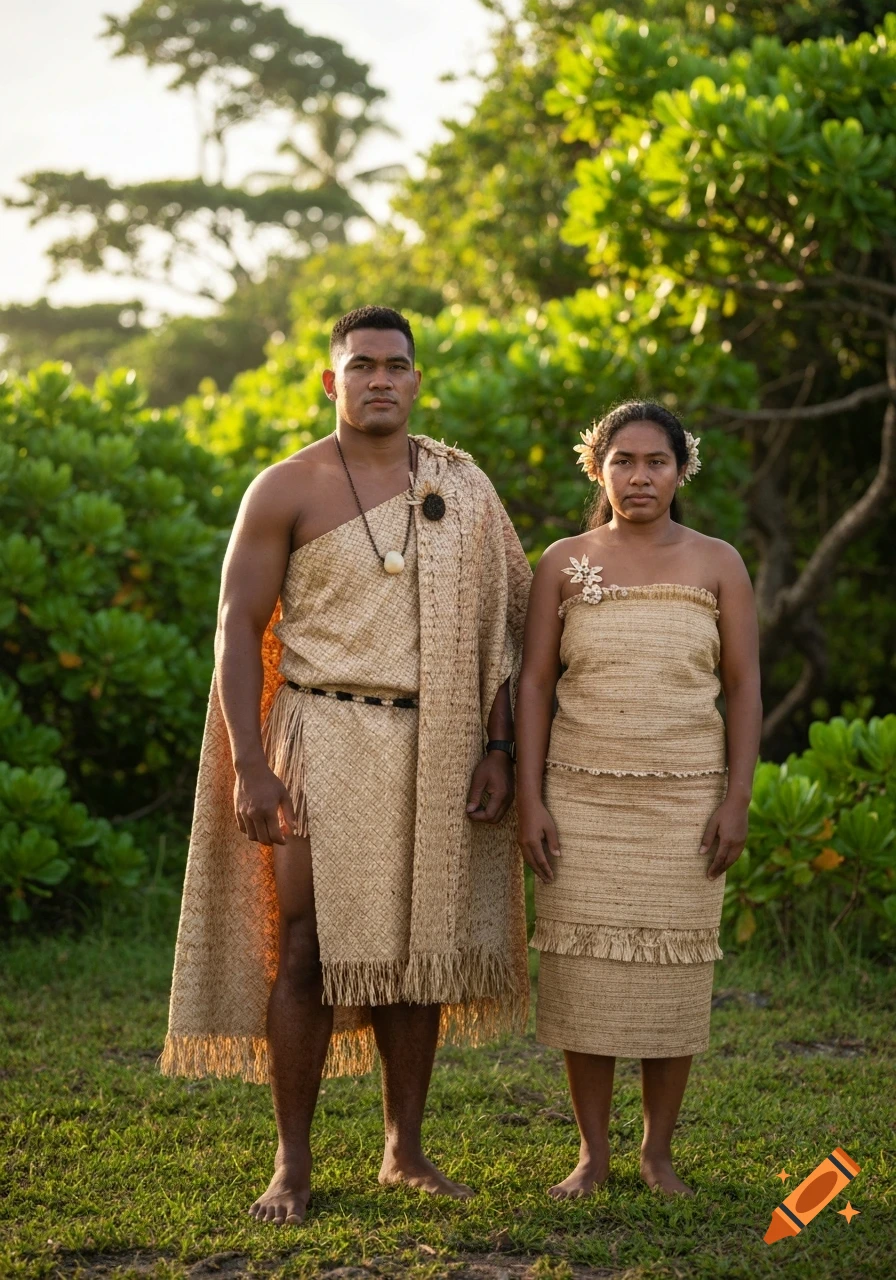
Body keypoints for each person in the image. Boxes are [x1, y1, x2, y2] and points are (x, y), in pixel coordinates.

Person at [161, 306, 531, 1224]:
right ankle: (291, 1163)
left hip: (440, 740)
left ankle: (404, 1150)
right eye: (360, 365)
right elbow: (237, 631)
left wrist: (499, 746)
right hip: (321, 732)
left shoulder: (462, 486)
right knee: (308, 947)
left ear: (416, 380)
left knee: (418, 951)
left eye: (395, 366)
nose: (378, 380)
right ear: (331, 381)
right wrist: (252, 764)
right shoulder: (284, 489)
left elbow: (501, 626)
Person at [515, 402, 761, 1199]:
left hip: (687, 801)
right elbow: (535, 685)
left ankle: (657, 1152)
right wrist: (530, 799)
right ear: (598, 468)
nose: (640, 476)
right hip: (580, 798)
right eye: (624, 460)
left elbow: (745, 688)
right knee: (583, 974)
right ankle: (592, 1152)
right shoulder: (563, 560)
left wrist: (737, 801)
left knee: (671, 976)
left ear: (682, 469)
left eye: (657, 461)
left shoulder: (718, 561)